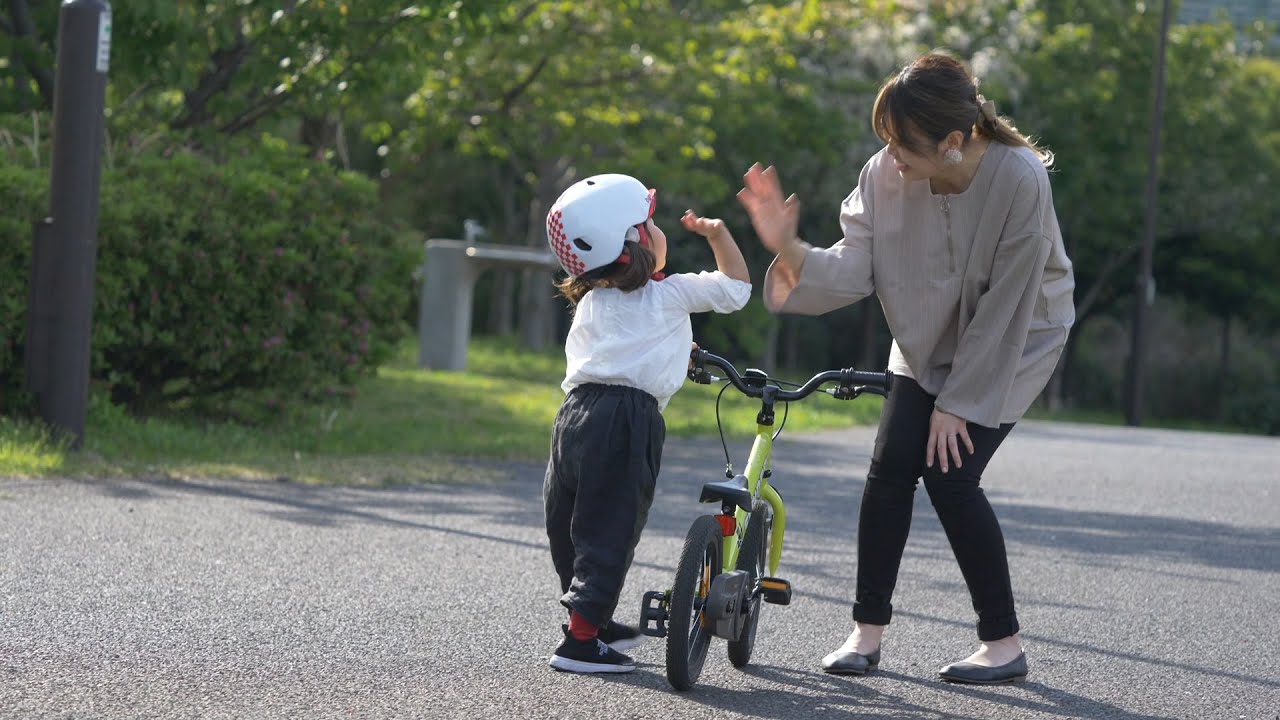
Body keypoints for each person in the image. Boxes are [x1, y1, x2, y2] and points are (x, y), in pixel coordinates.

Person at [736, 52, 1075, 685]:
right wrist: (790, 248)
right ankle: (866, 634)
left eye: (904, 146)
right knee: (891, 465)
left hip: (1018, 334)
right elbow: (856, 266)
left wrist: (958, 402)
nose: (892, 158)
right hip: (925, 333)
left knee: (950, 474)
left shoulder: (1020, 178)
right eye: (886, 142)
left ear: (954, 141)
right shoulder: (883, 174)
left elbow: (1008, 301)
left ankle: (1002, 644)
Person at [542, 173, 752, 673]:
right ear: (633, 244)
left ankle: (587, 617)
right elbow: (737, 290)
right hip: (626, 419)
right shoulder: (672, 293)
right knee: (611, 526)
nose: (658, 230)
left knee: (571, 525)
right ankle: (581, 643)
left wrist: (680, 348)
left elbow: (626, 347)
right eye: (650, 223)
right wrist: (719, 234)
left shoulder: (592, 299)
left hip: (573, 416)